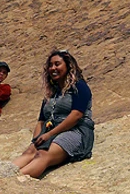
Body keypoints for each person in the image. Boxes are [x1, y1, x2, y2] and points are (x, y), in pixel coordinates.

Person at [11, 49, 94, 178]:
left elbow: (76, 116)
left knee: (43, 154)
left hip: (75, 131)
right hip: (51, 132)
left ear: (68, 65)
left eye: (57, 64)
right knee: (30, 151)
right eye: (50, 65)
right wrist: (36, 140)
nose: (53, 68)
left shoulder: (79, 86)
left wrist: (49, 134)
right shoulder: (51, 93)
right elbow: (41, 121)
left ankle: (12, 180)